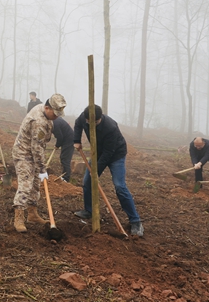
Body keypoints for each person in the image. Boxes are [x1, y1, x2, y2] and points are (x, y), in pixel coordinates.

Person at [73, 105, 143, 237]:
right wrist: (76, 140)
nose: (90, 124)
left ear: (99, 119)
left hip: (115, 154)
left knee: (119, 186)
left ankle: (135, 221)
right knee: (87, 182)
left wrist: (96, 171)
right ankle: (89, 211)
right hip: (97, 153)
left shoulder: (110, 127)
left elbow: (108, 154)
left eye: (94, 122)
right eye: (88, 122)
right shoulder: (85, 117)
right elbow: (77, 124)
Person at [12, 94, 67, 233]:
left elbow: (38, 148)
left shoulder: (43, 109)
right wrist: (43, 169)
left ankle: (32, 214)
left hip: (34, 153)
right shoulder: (39, 122)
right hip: (24, 153)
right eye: (55, 113)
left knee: (35, 184)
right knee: (26, 184)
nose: (57, 116)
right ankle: (19, 217)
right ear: (47, 108)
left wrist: (40, 169)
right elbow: (36, 149)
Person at [51, 116, 75, 182]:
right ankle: (64, 175)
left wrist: (57, 145)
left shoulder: (55, 124)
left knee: (65, 159)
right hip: (67, 139)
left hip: (69, 140)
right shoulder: (55, 120)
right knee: (63, 158)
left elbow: (60, 137)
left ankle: (66, 178)